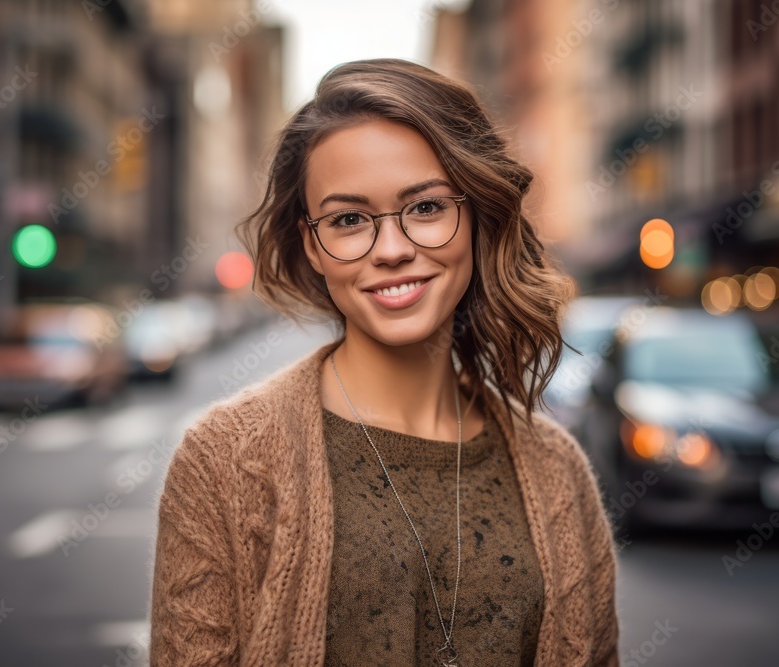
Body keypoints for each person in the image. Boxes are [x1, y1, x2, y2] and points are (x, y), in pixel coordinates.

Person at [149, 58, 620, 666]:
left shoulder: (558, 470)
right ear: (313, 245)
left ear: (475, 215)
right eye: (348, 220)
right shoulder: (222, 460)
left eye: (425, 208)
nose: (392, 250)